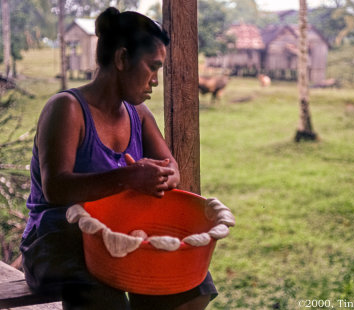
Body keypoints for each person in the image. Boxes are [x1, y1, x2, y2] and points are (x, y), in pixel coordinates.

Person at [20, 7, 217, 310]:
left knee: (194, 287)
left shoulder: (137, 114)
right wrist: (129, 177)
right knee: (105, 299)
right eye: (152, 67)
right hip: (56, 241)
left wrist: (164, 176)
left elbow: (171, 168)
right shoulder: (67, 109)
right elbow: (56, 189)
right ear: (122, 59)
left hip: (116, 237)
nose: (155, 80)